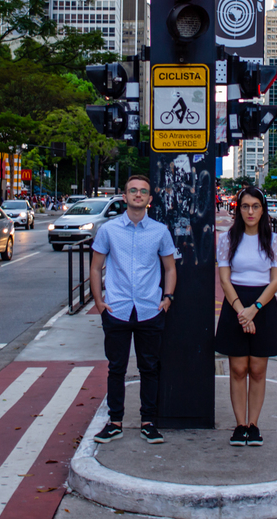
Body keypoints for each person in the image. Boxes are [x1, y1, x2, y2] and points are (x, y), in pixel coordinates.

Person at [89, 174, 177, 445]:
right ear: (124, 196)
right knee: (116, 368)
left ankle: (148, 422)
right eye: (133, 190)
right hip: (116, 309)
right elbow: (96, 267)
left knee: (149, 367)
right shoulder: (109, 230)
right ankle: (115, 422)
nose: (138, 195)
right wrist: (99, 302)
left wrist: (168, 298)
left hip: (150, 309)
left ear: (150, 198)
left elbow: (170, 268)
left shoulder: (160, 231)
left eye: (143, 191)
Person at [216, 186, 277, 447]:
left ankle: (254, 425)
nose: (250, 212)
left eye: (256, 206)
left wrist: (253, 309)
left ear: (263, 210)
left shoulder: (275, 241)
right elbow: (224, 280)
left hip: (262, 304)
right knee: (237, 369)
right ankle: (240, 425)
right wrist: (241, 312)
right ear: (239, 209)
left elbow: (275, 281)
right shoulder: (227, 239)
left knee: (257, 369)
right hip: (235, 303)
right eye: (245, 206)